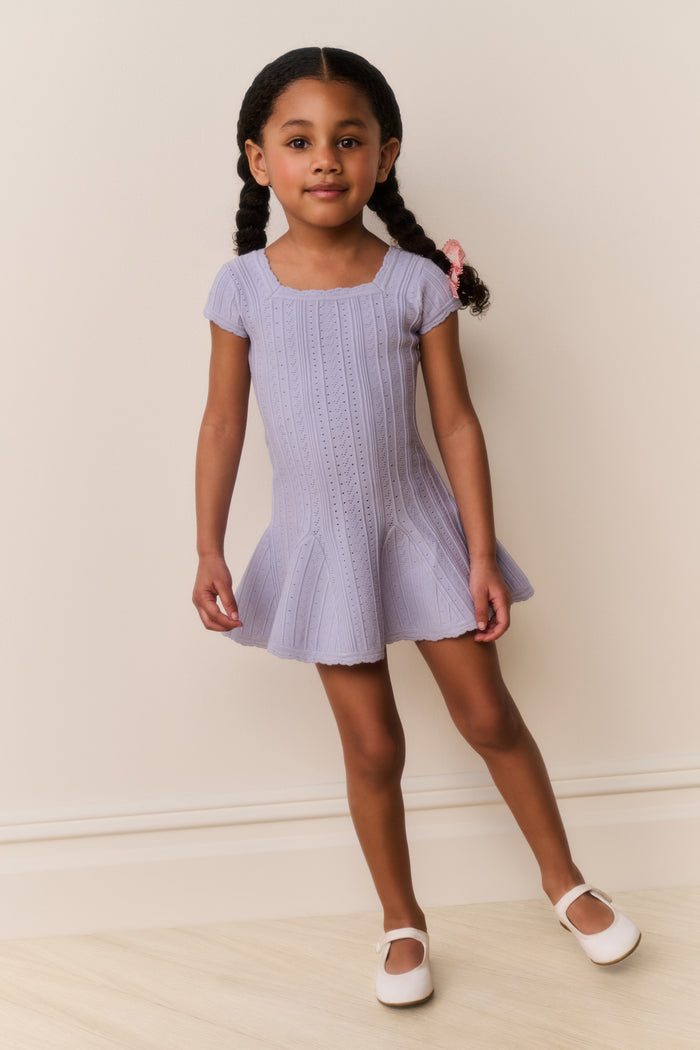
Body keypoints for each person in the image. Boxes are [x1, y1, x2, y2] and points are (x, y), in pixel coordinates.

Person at [193, 46, 641, 1007]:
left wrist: (480, 552)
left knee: (487, 716)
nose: (325, 160)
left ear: (384, 157)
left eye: (347, 140)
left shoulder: (416, 282)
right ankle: (402, 918)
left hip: (422, 531)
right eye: (300, 140)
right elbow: (223, 422)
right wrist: (208, 549)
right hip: (320, 546)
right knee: (374, 748)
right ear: (257, 158)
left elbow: (456, 423)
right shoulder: (242, 290)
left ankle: (565, 882)